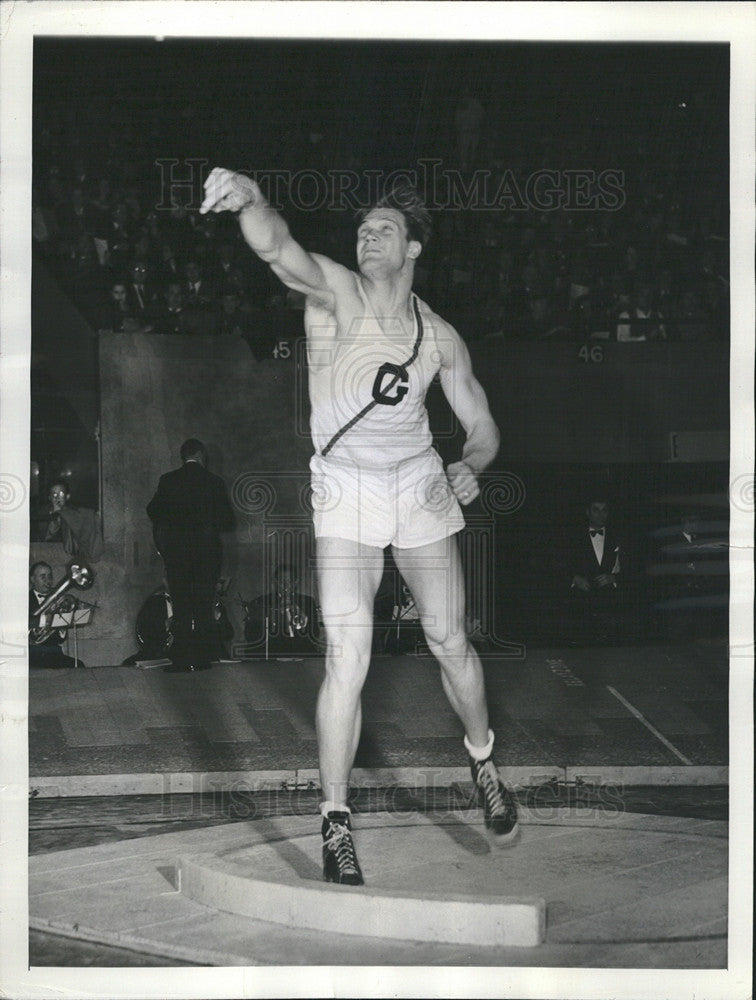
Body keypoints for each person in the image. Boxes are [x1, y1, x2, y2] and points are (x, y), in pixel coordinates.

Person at [200, 167, 519, 886]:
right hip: (344, 486)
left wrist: (472, 461)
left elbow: (484, 424)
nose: (367, 237)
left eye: (382, 230)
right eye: (362, 229)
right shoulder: (338, 293)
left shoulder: (438, 336)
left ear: (412, 249)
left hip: (418, 484)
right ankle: (336, 820)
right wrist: (251, 199)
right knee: (349, 653)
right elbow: (278, 249)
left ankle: (482, 758)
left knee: (448, 637)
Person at [146, 439, 235, 672]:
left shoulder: (168, 480)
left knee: (182, 605)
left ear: (182, 456)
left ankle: (182, 659)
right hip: (206, 556)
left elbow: (152, 510)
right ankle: (203, 659)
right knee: (203, 605)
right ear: (202, 456)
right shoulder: (214, 482)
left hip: (177, 555)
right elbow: (228, 521)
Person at [243, 563, 321, 659]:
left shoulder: (307, 602)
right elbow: (250, 636)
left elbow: (315, 634)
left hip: (301, 656)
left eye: (290, 581)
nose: (286, 585)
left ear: (296, 582)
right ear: (275, 582)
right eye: (281, 581)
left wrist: (299, 621)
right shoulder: (260, 602)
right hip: (271, 657)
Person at [28, 562, 85, 669]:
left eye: (50, 576)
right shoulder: (24, 599)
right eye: (43, 576)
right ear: (33, 579)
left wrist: (62, 628)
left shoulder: (58, 601)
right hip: (32, 655)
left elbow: (60, 640)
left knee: (79, 666)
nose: (48, 580)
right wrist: (46, 620)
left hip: (54, 653)